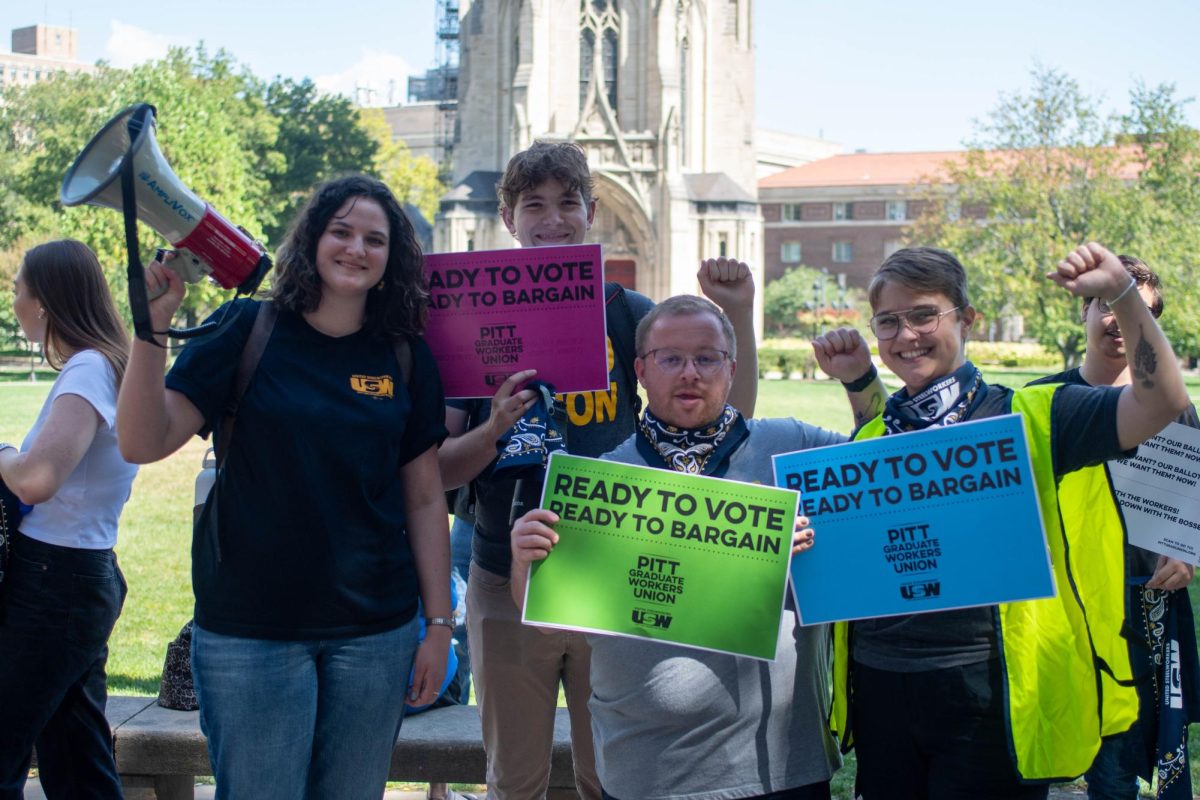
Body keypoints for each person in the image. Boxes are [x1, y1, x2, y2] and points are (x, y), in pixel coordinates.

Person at [436, 140, 760, 800]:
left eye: (568, 203)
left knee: (608, 775)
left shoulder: (629, 317)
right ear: (507, 217)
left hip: (612, 573)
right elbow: (436, 470)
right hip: (502, 566)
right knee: (515, 777)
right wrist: (495, 428)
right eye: (534, 205)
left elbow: (726, 416)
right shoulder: (472, 317)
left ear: (592, 212)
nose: (552, 219)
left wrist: (741, 318)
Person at [810, 244, 1191, 799]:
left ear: (967, 320)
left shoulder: (1036, 414)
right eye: (888, 321)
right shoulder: (870, 437)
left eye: (923, 315)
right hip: (882, 686)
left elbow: (1161, 402)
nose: (906, 334)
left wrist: (1121, 294)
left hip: (990, 691)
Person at [117, 175, 453, 799]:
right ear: (313, 239)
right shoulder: (245, 329)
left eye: (374, 240)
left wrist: (437, 625)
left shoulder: (404, 355)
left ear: (392, 258)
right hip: (251, 632)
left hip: (375, 633)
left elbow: (426, 497)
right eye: (342, 232)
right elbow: (142, 442)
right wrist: (149, 330)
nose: (356, 249)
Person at [509, 295, 886, 799]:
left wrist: (859, 380)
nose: (690, 373)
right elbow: (548, 614)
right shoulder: (599, 479)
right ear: (641, 370)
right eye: (671, 358)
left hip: (779, 765)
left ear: (731, 368)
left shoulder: (791, 446)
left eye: (707, 358)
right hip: (645, 767)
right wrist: (523, 559)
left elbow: (885, 464)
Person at [1028, 255, 1200, 799]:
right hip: (1061, 602)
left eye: (1136, 309)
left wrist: (1188, 551)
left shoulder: (1174, 412)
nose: (1116, 321)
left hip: (1140, 601)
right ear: (1084, 310)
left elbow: (1190, 506)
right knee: (1034, 746)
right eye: (1107, 303)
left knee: (1118, 766)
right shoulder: (1040, 402)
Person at [0, 239, 139, 798]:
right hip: (76, 577)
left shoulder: (87, 370)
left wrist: (3, 453)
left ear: (45, 301)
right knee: (74, 753)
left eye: (17, 290)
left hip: (55, 584)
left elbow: (37, 478)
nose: (13, 302)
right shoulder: (106, 365)